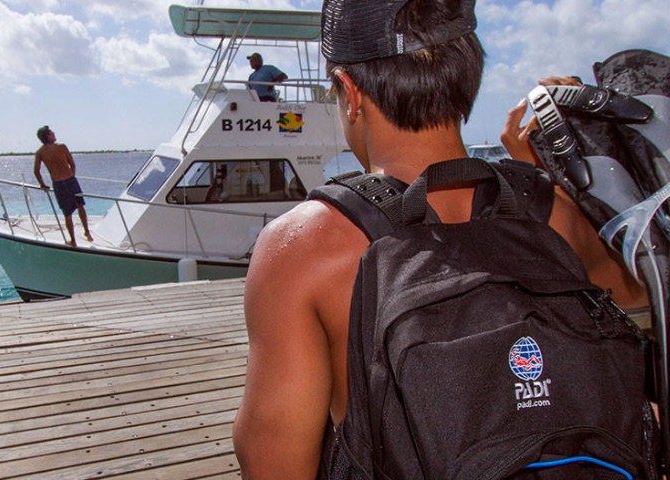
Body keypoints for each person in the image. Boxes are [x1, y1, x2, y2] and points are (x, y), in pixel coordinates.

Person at [232, 0, 647, 478]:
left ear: (350, 91)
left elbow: (272, 465)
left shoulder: (303, 247)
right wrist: (548, 169)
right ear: (467, 75)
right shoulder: (553, 214)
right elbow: (635, 299)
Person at [34, 125, 93, 247]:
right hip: (70, 181)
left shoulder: (40, 152)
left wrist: (42, 184)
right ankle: (87, 232)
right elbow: (72, 164)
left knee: (67, 214)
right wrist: (71, 176)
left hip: (58, 184)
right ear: (48, 136)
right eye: (51, 133)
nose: (54, 133)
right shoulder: (62, 147)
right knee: (80, 206)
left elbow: (36, 171)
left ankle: (73, 240)